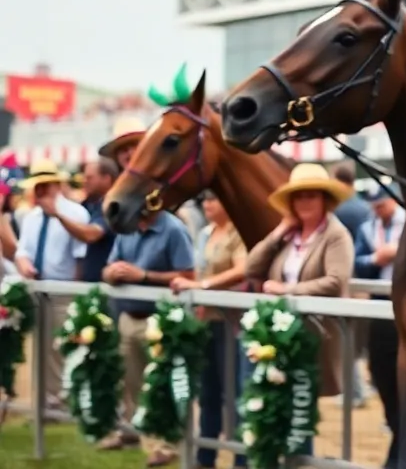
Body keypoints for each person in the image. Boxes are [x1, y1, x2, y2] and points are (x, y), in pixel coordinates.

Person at [246, 163, 355, 456]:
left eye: (311, 195)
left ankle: (300, 458)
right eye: (299, 196)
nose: (304, 202)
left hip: (315, 334)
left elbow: (335, 281)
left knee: (302, 401)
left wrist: (287, 291)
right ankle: (286, 457)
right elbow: (251, 267)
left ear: (325, 199)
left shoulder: (336, 234)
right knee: (281, 397)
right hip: (282, 334)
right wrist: (278, 232)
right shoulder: (289, 235)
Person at [99, 206, 196, 463]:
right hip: (129, 317)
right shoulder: (126, 229)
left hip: (160, 322)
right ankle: (133, 431)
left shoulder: (173, 229)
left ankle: (167, 443)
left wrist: (143, 275)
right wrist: (112, 273)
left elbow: (187, 275)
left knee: (164, 385)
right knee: (131, 382)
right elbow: (107, 268)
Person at [170, 191, 248, 469]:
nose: (207, 204)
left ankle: (242, 457)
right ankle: (206, 454)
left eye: (214, 199)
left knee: (235, 391)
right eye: (205, 200)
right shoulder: (204, 232)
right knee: (208, 390)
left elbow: (242, 269)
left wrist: (202, 287)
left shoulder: (238, 232)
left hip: (231, 321)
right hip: (205, 321)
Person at [13, 159, 90, 409]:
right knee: (42, 347)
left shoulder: (76, 214)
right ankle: (46, 398)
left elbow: (80, 256)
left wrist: (77, 294)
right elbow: (22, 250)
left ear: (53, 186)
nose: (36, 193)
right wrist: (24, 263)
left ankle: (62, 397)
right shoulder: (32, 217)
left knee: (61, 346)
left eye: (41, 187)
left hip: (64, 290)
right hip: (38, 289)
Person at [353, 184, 404, 467]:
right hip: (380, 307)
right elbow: (357, 264)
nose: (377, 210)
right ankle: (397, 428)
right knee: (380, 373)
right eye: (374, 206)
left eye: (381, 204)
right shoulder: (367, 228)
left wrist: (400, 252)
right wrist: (377, 258)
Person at [329, 161, 371, 409]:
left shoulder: (340, 210)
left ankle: (355, 391)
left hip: (348, 281)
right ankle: (358, 388)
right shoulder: (363, 206)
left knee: (347, 339)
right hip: (363, 282)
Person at [53, 157, 119, 283]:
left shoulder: (113, 207)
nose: (84, 181)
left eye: (90, 177)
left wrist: (58, 215)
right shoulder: (85, 206)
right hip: (82, 285)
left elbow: (91, 235)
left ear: (107, 179)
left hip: (104, 287)